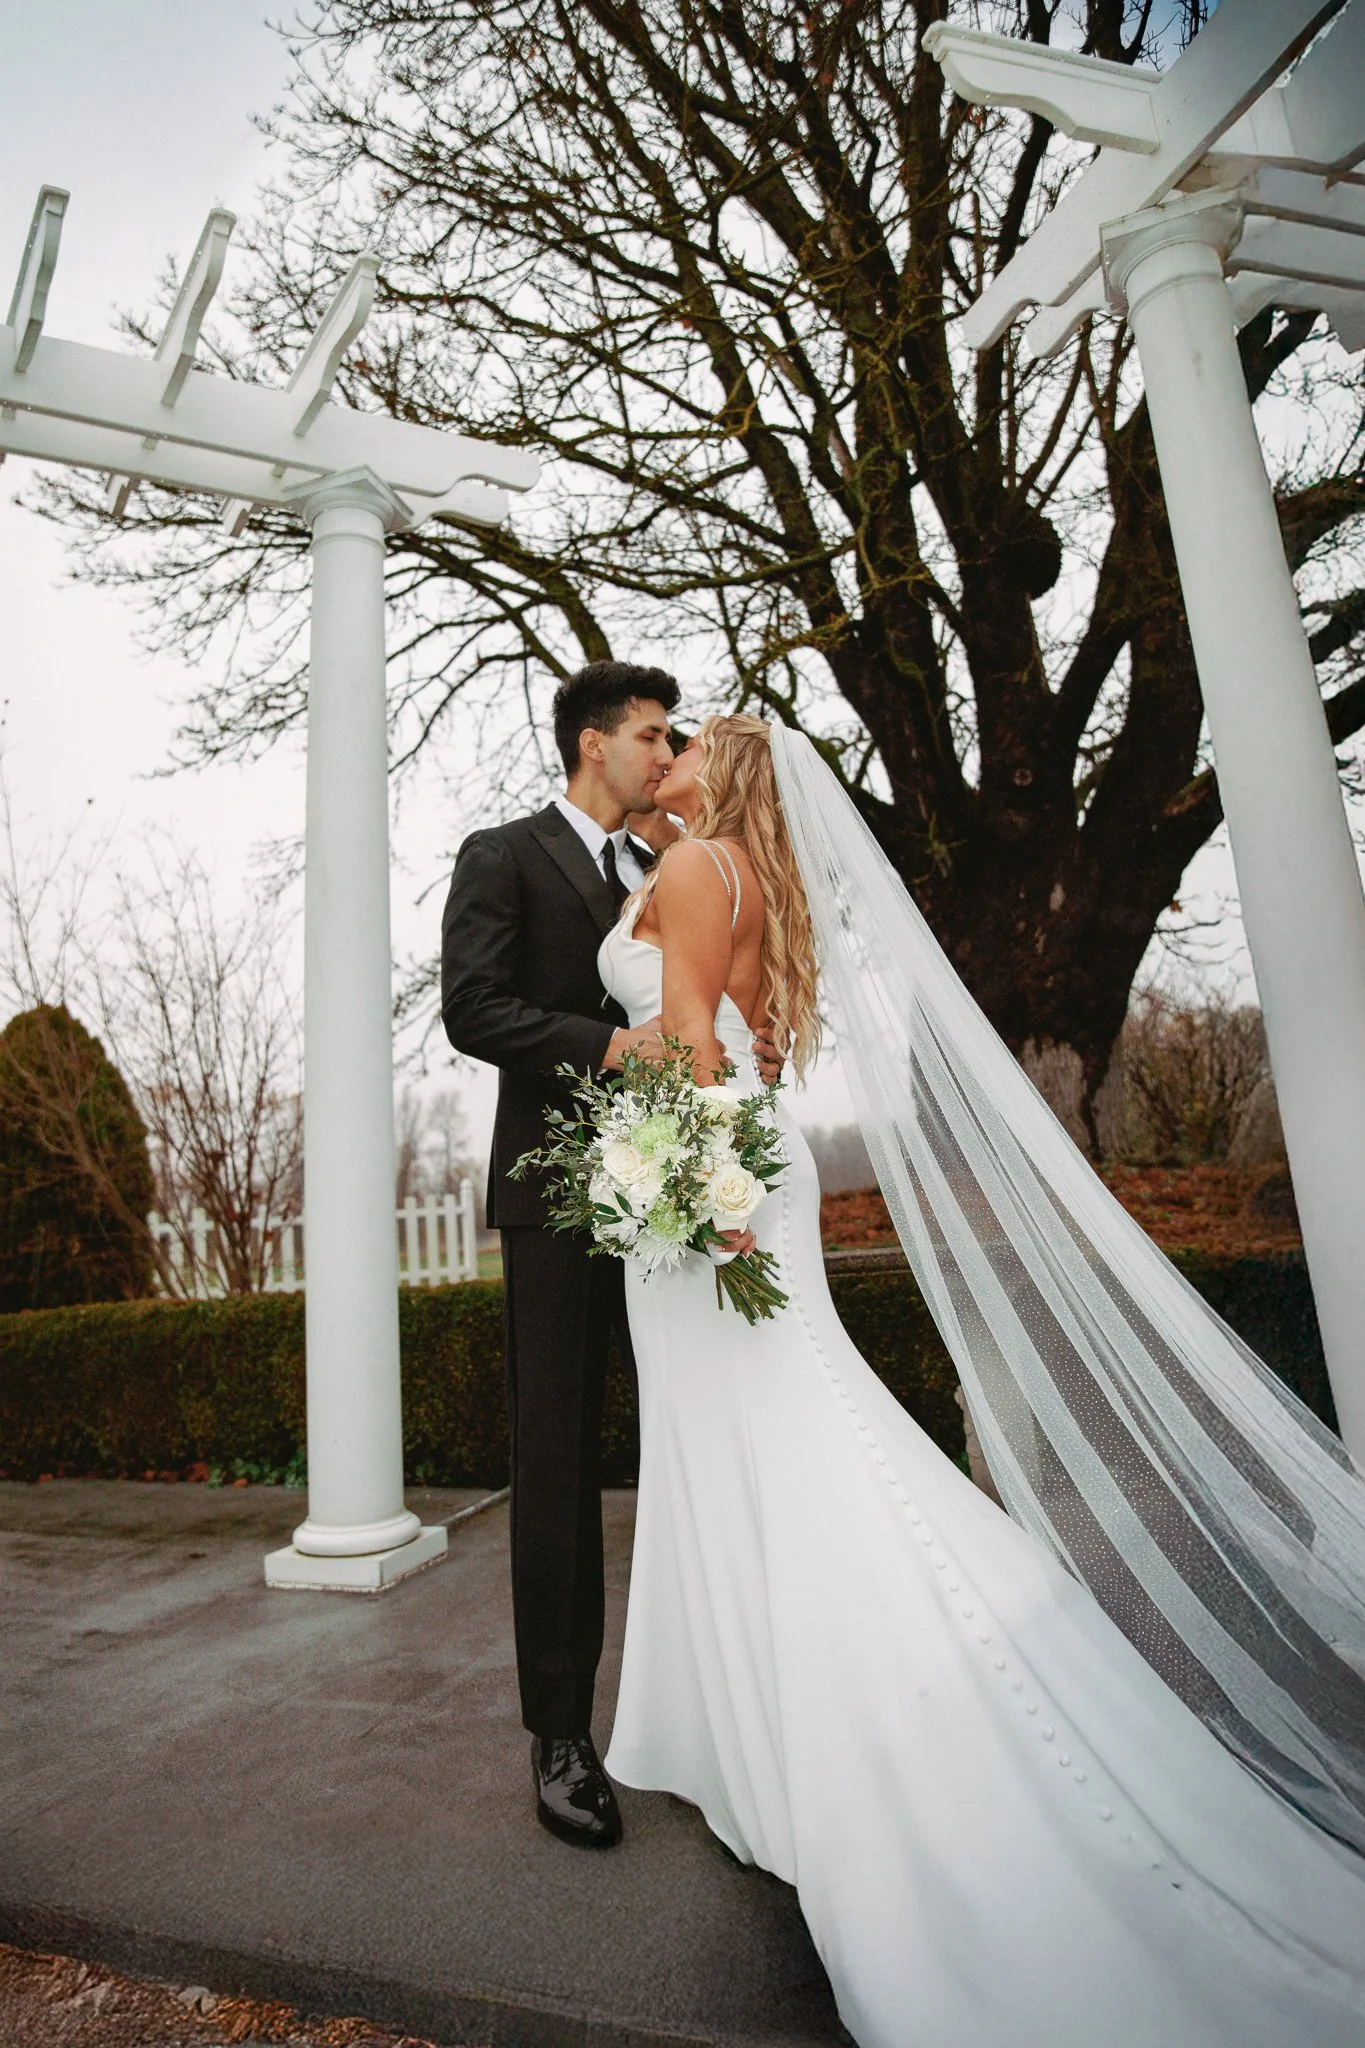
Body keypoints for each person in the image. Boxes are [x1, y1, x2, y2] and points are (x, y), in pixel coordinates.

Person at [597, 713, 1365, 2048]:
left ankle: (810, 1734)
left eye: (688, 745)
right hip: (740, 1163)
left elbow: (693, 1045)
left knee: (768, 1442)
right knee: (787, 1425)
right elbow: (720, 1030)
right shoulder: (754, 883)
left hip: (705, 1179)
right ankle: (766, 1726)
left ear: (722, 778)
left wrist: (684, 1182)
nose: (665, 753)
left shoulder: (687, 870)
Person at [440, 662, 774, 1850]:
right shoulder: (503, 854)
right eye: (650, 732)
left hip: (675, 1197)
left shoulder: (667, 870)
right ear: (594, 746)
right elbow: (471, 1008)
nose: (665, 746)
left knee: (696, 1436)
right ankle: (561, 1736)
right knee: (559, 1457)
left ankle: (726, 1704)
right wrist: (607, 1045)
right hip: (560, 1200)